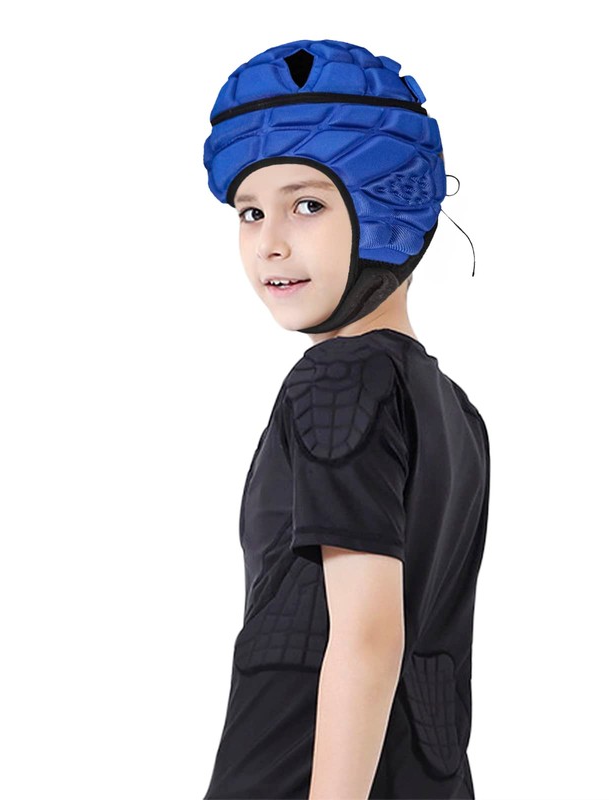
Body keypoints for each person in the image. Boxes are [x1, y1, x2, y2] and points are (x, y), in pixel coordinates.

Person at [201, 39, 491, 799]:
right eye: (250, 212)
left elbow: (366, 640)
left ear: (389, 203)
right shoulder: (453, 410)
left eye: (308, 205)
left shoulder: (341, 376)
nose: (269, 244)